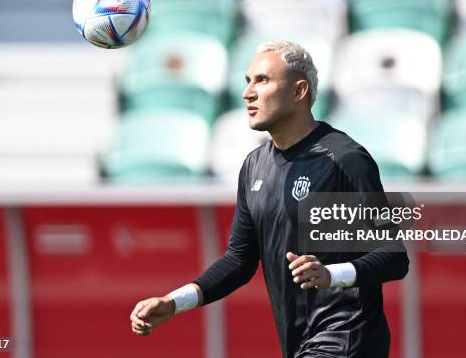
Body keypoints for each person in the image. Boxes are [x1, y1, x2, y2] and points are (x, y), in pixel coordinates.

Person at [130, 40, 409, 357]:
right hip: (300, 345)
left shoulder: (344, 158)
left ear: (298, 91)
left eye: (262, 80)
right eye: (247, 81)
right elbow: (238, 261)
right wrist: (174, 302)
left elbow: (394, 255)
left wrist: (332, 275)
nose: (248, 93)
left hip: (346, 339)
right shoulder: (254, 166)